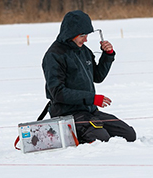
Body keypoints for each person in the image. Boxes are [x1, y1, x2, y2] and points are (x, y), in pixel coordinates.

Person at [42, 10, 136, 143]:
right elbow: (58, 93)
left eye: (87, 35)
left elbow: (97, 76)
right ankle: (73, 136)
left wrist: (107, 56)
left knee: (129, 135)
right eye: (82, 35)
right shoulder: (54, 55)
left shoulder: (83, 50)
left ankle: (94, 129)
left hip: (91, 111)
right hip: (68, 114)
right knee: (103, 140)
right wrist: (92, 98)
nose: (86, 39)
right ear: (71, 33)